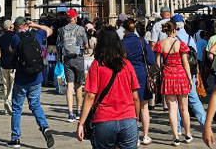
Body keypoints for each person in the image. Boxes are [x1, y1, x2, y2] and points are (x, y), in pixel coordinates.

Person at [76, 27, 141, 149]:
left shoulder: (97, 65)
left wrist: (81, 123)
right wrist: (136, 117)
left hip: (104, 120)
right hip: (128, 118)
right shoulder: (127, 64)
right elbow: (136, 97)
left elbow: (90, 96)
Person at [8, 16, 56, 149]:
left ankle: (15, 138)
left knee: (17, 108)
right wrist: (35, 25)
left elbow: (11, 50)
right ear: (26, 25)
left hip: (22, 78)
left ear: (17, 27)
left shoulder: (16, 38)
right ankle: (45, 127)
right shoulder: (37, 34)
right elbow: (49, 31)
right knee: (35, 105)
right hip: (36, 77)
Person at [155, 20, 193, 146]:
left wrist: (163, 70)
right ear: (175, 30)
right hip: (181, 76)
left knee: (172, 108)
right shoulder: (180, 44)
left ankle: (176, 137)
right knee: (184, 108)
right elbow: (186, 63)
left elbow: (157, 63)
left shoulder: (161, 44)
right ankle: (188, 134)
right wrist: (189, 78)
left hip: (168, 76)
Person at [122, 17, 156, 145]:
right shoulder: (142, 41)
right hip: (141, 74)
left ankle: (133, 137)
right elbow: (151, 60)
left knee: (130, 106)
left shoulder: (121, 43)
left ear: (124, 29)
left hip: (127, 75)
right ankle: (146, 136)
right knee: (144, 106)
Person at [59, 8, 89, 122]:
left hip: (67, 59)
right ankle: (78, 111)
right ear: (74, 18)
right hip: (78, 58)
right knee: (79, 85)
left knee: (69, 85)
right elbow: (86, 45)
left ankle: (70, 113)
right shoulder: (80, 29)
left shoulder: (62, 29)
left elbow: (60, 43)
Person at [0, 20, 18, 115]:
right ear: (10, 26)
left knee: (6, 86)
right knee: (13, 85)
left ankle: (6, 108)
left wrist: (1, 60)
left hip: (4, 64)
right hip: (13, 65)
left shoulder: (1, 37)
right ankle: (9, 101)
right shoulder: (15, 36)